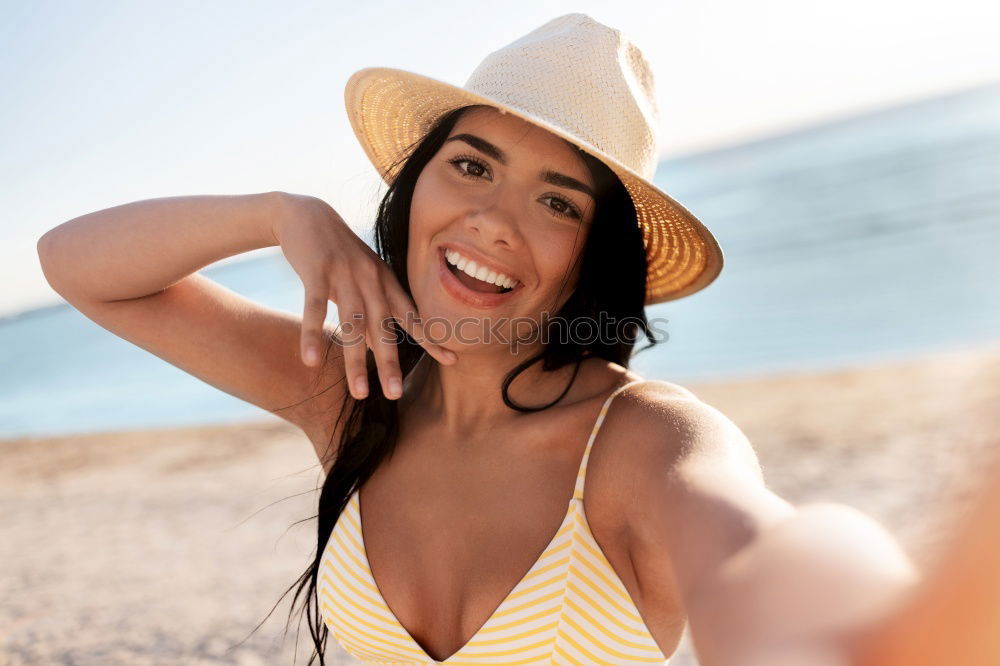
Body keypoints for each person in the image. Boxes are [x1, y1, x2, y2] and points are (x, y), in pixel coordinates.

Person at [38, 13, 927, 666]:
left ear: (593, 255)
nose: (493, 222)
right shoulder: (356, 392)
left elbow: (765, 554)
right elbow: (78, 264)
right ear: (417, 185)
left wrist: (863, 616)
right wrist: (282, 214)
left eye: (556, 201)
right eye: (471, 166)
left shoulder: (640, 442)